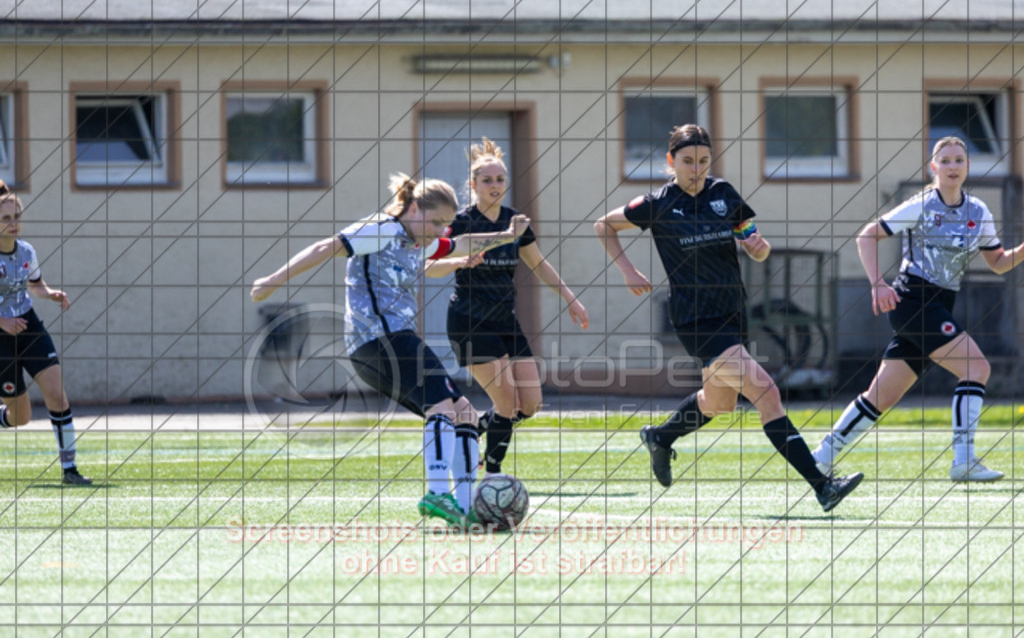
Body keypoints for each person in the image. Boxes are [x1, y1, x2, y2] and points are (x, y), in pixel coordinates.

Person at [594, 124, 862, 512]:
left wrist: (757, 246)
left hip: (731, 312)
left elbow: (756, 243)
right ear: (671, 162)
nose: (696, 169)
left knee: (718, 403)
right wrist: (627, 270)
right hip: (695, 319)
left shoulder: (724, 195)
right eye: (687, 161)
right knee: (766, 392)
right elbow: (603, 225)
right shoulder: (656, 204)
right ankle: (823, 486)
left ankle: (661, 437)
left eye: (703, 161)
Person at [251, 173, 529, 525]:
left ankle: (464, 507)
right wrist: (273, 280)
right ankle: (438, 494)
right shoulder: (381, 228)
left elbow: (460, 244)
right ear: (413, 208)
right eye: (437, 221)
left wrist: (504, 237)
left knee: (466, 414)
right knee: (442, 406)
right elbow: (325, 247)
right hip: (382, 339)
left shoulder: (417, 239)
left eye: (446, 223)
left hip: (389, 344)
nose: (442, 230)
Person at [813, 136, 1018, 482]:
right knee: (976, 368)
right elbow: (867, 236)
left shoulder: (979, 211)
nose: (953, 166)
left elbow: (998, 263)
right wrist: (878, 283)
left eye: (959, 160)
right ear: (933, 168)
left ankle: (821, 456)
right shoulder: (922, 204)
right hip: (913, 302)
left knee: (881, 397)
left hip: (939, 305)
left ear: (968, 166)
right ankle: (964, 460)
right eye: (945, 160)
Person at [425, 137, 589, 476]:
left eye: (500, 179)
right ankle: (493, 476)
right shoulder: (462, 224)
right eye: (487, 180)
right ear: (473, 185)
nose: (494, 185)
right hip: (470, 321)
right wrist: (459, 262)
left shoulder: (516, 223)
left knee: (529, 405)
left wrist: (570, 298)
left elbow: (539, 264)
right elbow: (429, 266)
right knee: (506, 403)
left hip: (505, 321)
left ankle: (475, 431)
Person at [0, 182, 91, 485]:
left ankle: (70, 470)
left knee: (57, 395)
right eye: (6, 219)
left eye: (17, 217)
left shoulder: (26, 251)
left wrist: (49, 293)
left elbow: (34, 283)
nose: (14, 224)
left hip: (29, 327)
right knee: (21, 418)